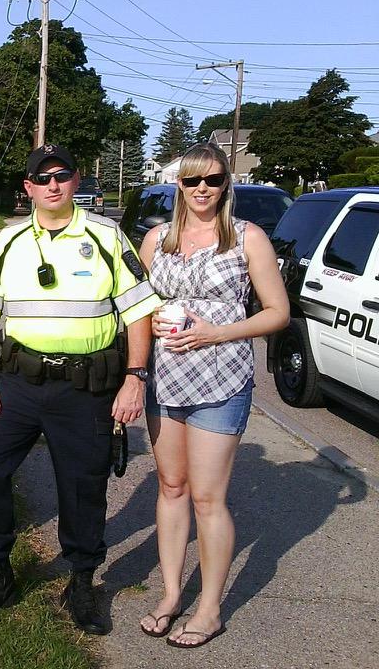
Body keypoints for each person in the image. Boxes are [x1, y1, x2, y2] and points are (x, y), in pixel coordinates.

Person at [0, 144, 160, 634]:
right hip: (18, 384)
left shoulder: (106, 236)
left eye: (61, 175)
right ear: (28, 187)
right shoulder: (9, 241)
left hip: (85, 388)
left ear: (76, 180)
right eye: (42, 177)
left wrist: (135, 378)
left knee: (83, 485)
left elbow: (139, 312)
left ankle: (81, 582)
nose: (53, 184)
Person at [136, 143, 288, 648]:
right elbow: (135, 307)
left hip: (221, 379)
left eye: (213, 180)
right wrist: (145, 335)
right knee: (171, 486)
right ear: (178, 184)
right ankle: (170, 594)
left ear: (226, 184)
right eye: (192, 180)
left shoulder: (248, 238)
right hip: (164, 378)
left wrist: (215, 333)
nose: (202, 189)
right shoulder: (157, 239)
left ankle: (209, 609)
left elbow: (277, 313)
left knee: (207, 496)